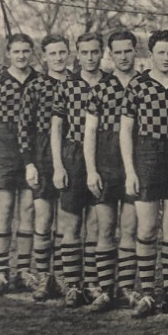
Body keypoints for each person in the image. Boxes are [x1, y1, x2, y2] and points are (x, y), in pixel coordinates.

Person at [121, 29, 168, 317]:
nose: (166, 58)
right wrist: (130, 171)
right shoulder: (137, 85)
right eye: (160, 52)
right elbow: (125, 131)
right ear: (150, 55)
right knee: (146, 230)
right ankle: (147, 293)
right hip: (146, 157)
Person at [0, 32, 40, 294]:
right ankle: (2, 273)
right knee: (3, 211)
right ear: (8, 54)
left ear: (32, 52)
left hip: (33, 155)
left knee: (28, 210)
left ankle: (24, 271)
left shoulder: (40, 81)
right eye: (16, 52)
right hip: (4, 154)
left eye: (26, 51)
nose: (21, 56)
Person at [83, 28, 139, 311]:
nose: (123, 57)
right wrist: (91, 170)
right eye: (117, 52)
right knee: (105, 227)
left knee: (129, 228)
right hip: (106, 166)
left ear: (135, 51)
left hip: (135, 168)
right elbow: (89, 133)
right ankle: (106, 290)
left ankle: (126, 288)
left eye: (128, 50)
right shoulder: (101, 89)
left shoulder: (145, 85)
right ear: (110, 54)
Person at [50, 31, 105, 307]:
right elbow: (56, 127)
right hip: (72, 155)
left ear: (102, 52)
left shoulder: (110, 83)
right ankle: (72, 285)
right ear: (78, 54)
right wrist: (58, 165)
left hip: (101, 157)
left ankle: (94, 283)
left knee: (96, 223)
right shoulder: (67, 85)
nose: (90, 57)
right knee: (71, 223)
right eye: (85, 52)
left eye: (95, 52)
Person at [22, 34, 71, 301]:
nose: (59, 58)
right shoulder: (35, 86)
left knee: (65, 221)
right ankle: (43, 277)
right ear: (45, 56)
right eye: (53, 54)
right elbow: (24, 128)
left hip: (71, 157)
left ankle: (62, 277)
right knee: (43, 219)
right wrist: (29, 163)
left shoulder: (78, 83)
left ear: (69, 53)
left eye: (62, 52)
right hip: (42, 158)